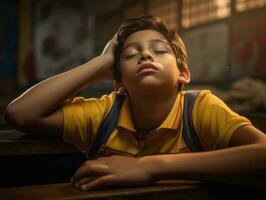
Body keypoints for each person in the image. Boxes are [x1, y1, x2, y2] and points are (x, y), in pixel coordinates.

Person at [5, 16, 266, 191]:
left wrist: (150, 166)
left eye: (160, 50)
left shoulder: (198, 108)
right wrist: (102, 62)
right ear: (119, 83)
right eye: (130, 54)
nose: (144, 54)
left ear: (183, 73)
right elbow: (20, 114)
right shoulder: (105, 114)